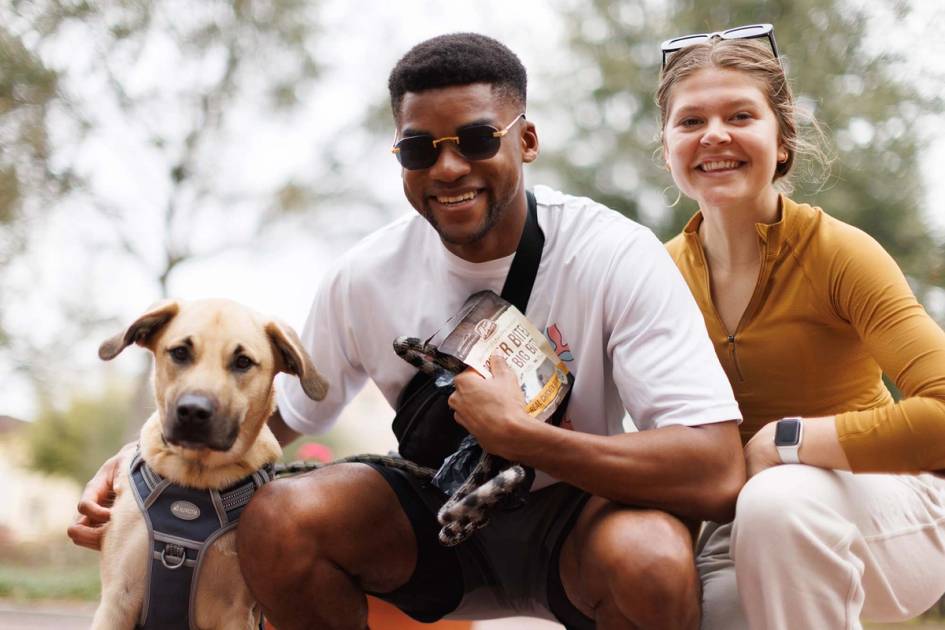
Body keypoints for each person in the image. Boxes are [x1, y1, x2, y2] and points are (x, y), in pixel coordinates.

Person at [69, 33, 746, 629]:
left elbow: (714, 470)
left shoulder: (612, 254)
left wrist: (523, 439)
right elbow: (265, 423)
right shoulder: (364, 276)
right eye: (420, 149)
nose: (448, 168)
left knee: (652, 559)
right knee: (281, 516)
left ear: (528, 140)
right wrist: (139, 466)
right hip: (428, 531)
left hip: (575, 529)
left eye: (477, 140)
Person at [652, 24, 945, 630]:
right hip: (746, 524)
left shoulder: (838, 253)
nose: (714, 135)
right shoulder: (655, 275)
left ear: (782, 141)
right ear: (667, 147)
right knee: (720, 609)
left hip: (896, 510)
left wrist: (784, 441)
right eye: (689, 121)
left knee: (779, 500)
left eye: (740, 115)